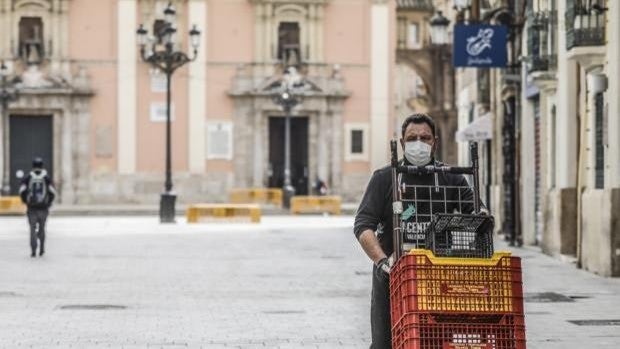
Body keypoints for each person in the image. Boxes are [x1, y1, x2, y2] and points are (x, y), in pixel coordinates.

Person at [354, 113, 484, 348]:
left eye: (425, 138)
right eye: (412, 138)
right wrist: (383, 261)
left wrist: (481, 218)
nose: (419, 143)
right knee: (387, 342)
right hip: (391, 276)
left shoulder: (451, 178)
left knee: (436, 340)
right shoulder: (384, 178)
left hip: (438, 278)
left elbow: (476, 211)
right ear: (402, 144)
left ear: (435, 141)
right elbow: (363, 225)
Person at [19, 157, 56, 257]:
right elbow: (52, 192)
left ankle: (33, 250)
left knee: (32, 229)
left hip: (32, 208)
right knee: (42, 228)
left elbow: (22, 191)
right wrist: (48, 203)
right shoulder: (46, 178)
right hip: (43, 208)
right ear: (42, 165)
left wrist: (25, 202)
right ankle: (42, 248)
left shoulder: (28, 177)